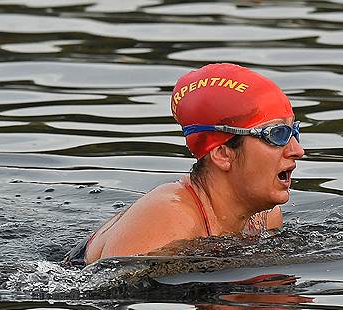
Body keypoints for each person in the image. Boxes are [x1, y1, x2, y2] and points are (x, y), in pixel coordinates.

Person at [65, 63, 303, 265]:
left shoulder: (266, 217)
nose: (297, 150)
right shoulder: (168, 220)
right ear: (222, 153)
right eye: (277, 134)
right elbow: (113, 299)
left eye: (295, 131)